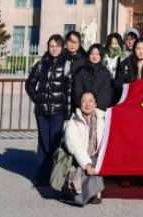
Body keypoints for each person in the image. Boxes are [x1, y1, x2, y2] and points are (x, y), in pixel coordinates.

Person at [24, 35, 74, 187]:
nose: (54, 49)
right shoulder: (41, 64)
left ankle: (54, 176)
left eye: (57, 46)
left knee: (54, 144)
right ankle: (41, 177)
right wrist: (38, 99)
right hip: (42, 112)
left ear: (62, 47)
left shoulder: (67, 64)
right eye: (51, 46)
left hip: (58, 112)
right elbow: (30, 84)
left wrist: (67, 113)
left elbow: (69, 90)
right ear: (48, 47)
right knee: (43, 143)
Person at [62, 92, 105, 206]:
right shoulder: (73, 122)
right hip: (77, 157)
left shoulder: (104, 119)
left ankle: (97, 193)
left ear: (95, 104)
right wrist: (87, 164)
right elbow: (75, 147)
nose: (87, 104)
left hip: (96, 155)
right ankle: (78, 191)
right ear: (80, 104)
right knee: (80, 196)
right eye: (84, 101)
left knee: (97, 160)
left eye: (91, 101)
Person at [72, 45, 115, 111]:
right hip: (82, 108)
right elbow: (77, 92)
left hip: (99, 110)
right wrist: (84, 105)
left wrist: (95, 107)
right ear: (88, 55)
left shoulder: (105, 73)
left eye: (97, 54)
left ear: (101, 56)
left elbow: (106, 94)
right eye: (92, 54)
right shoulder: (80, 71)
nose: (94, 57)